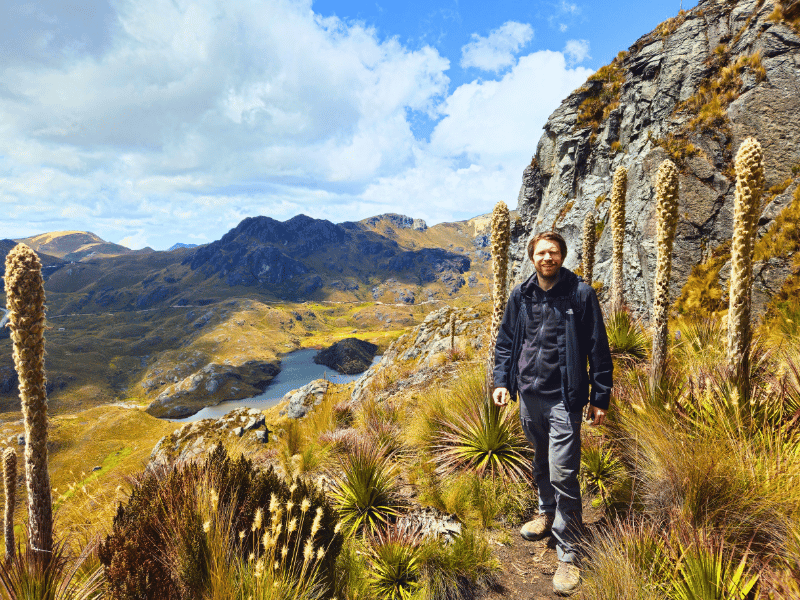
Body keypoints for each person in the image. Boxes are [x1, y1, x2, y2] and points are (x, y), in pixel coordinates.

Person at [492, 230, 613, 596]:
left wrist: (600, 397)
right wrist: (502, 381)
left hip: (564, 398)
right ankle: (546, 513)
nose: (547, 258)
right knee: (541, 460)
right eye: (541, 253)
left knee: (564, 471)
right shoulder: (522, 294)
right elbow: (506, 342)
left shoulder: (580, 294)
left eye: (554, 252)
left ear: (562, 255)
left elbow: (598, 347)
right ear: (533, 257)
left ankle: (570, 550)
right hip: (529, 395)